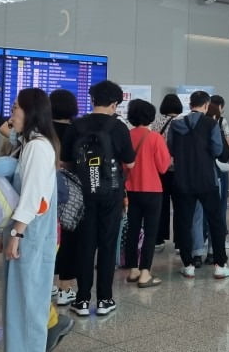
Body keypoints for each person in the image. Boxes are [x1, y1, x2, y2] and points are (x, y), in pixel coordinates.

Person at [62, 80, 136, 317]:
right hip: (111, 194)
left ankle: (82, 300)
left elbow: (66, 162)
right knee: (106, 244)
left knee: (85, 245)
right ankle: (105, 299)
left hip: (82, 194)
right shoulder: (119, 127)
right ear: (115, 104)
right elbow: (130, 162)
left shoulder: (76, 126)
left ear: (92, 99)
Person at [2, 88, 68, 351]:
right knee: (21, 299)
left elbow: (34, 197)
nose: (12, 113)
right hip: (27, 232)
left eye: (16, 107)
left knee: (27, 302)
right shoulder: (30, 145)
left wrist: (16, 234)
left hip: (31, 235)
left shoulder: (38, 148)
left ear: (31, 112)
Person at [167, 91, 229, 279]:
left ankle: (188, 265)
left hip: (182, 179)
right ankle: (220, 265)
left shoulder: (176, 124)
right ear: (206, 105)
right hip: (207, 179)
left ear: (190, 104)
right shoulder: (211, 124)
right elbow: (218, 150)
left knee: (183, 222)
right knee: (216, 221)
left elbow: (170, 148)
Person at [124, 99, 171, 287]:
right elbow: (163, 167)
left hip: (131, 189)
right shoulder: (155, 138)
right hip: (152, 191)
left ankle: (133, 270)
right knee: (150, 232)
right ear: (150, 116)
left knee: (132, 230)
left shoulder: (126, 136)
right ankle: (145, 273)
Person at [50, 89, 80, 306]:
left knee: (47, 237)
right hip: (69, 191)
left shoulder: (41, 130)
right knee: (70, 238)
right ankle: (66, 287)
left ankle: (49, 283)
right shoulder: (77, 130)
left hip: (44, 190)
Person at [152, 94, 182, 252]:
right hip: (178, 169)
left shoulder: (157, 122)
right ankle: (179, 242)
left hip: (160, 170)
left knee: (161, 206)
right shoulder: (182, 122)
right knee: (180, 207)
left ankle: (158, 239)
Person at [208, 95, 229, 251]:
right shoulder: (221, 121)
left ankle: (205, 237)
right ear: (221, 107)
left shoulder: (200, 121)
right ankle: (221, 237)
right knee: (221, 202)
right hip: (221, 166)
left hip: (205, 167)